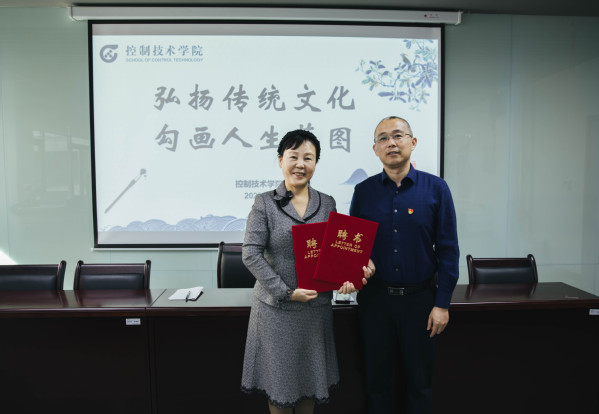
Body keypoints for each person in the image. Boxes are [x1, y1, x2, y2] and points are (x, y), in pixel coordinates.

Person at [241, 129, 366, 414]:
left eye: (308, 158)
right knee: (280, 392)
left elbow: (337, 253)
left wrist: (346, 279)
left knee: (310, 386)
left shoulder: (327, 202)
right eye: (293, 156)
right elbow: (250, 253)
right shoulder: (265, 203)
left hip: (314, 311)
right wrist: (285, 292)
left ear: (316, 163)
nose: (300, 164)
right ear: (280, 160)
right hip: (277, 312)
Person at [349, 116, 459, 414]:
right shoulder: (364, 191)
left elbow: (449, 250)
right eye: (383, 138)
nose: (391, 143)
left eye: (398, 135)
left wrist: (442, 304)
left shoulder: (436, 189)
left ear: (413, 142)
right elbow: (354, 248)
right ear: (375, 149)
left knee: (420, 383)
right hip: (376, 302)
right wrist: (359, 263)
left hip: (420, 303)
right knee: (376, 383)